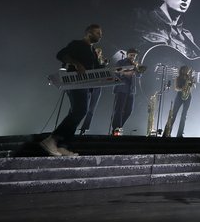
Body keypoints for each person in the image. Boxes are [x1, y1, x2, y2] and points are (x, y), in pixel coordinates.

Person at [135, 0, 200, 137]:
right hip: (142, 93)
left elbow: (191, 67)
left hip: (173, 91)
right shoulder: (141, 16)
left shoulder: (187, 36)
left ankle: (177, 134)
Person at [40, 24, 103, 156]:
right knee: (80, 111)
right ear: (88, 33)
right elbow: (61, 54)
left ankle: (63, 146)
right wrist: (76, 63)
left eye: (100, 33)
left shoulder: (93, 50)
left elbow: (97, 68)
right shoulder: (77, 44)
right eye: (97, 32)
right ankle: (52, 139)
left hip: (86, 86)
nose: (100, 35)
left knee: (76, 112)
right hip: (75, 83)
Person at [111, 48, 142, 135]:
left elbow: (139, 75)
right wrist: (125, 73)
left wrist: (137, 68)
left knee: (129, 110)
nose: (132, 57)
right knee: (119, 110)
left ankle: (119, 127)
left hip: (131, 90)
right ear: (127, 54)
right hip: (121, 88)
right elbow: (115, 72)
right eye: (131, 55)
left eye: (134, 56)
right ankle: (116, 129)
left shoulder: (135, 64)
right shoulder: (121, 62)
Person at [78, 47, 108, 135]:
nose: (97, 53)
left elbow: (102, 72)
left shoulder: (101, 62)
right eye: (96, 52)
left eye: (99, 52)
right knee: (82, 108)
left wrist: (104, 64)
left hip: (97, 87)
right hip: (87, 85)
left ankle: (84, 128)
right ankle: (73, 126)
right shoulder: (89, 60)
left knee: (91, 109)